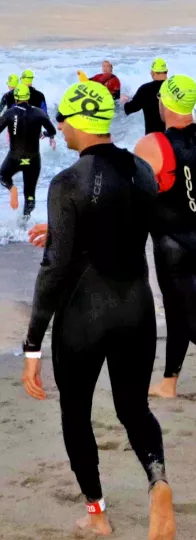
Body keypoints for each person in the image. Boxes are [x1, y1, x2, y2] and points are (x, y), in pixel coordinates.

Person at [21, 81, 174, 540]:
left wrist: (32, 345)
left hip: (82, 318)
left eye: (63, 120)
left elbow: (54, 269)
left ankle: (97, 513)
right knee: (134, 409)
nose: (60, 128)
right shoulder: (142, 171)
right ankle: (158, 479)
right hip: (136, 309)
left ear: (79, 123)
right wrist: (66, 228)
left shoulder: (67, 182)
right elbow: (132, 225)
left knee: (76, 413)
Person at [132, 74, 196, 400]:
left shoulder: (151, 144)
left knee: (184, 314)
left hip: (173, 244)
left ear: (164, 103)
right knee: (180, 312)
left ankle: (170, 383)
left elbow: (129, 198)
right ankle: (169, 382)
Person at [0, 82, 57, 216]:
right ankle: (25, 223)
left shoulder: (9, 113)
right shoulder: (39, 113)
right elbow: (52, 130)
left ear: (16, 98)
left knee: (3, 176)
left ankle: (12, 188)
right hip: (33, 160)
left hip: (15, 158)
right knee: (30, 195)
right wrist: (45, 134)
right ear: (28, 97)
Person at [122, 58, 170, 134]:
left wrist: (124, 101)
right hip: (173, 137)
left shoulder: (145, 89)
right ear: (166, 72)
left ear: (152, 73)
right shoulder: (174, 88)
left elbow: (130, 109)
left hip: (153, 138)